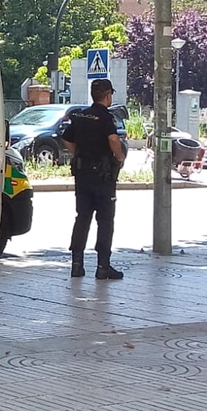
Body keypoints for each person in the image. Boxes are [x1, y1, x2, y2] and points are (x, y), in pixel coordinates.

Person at [61, 78, 126, 280]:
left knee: (82, 218)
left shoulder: (81, 115)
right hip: (103, 177)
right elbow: (113, 139)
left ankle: (77, 264)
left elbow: (66, 138)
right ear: (108, 96)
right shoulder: (106, 118)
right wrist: (120, 156)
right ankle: (103, 266)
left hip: (83, 174)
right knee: (105, 221)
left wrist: (79, 153)